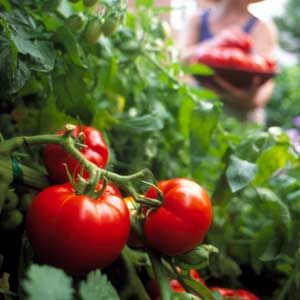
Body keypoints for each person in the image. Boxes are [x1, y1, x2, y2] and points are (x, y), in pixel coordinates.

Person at [181, 0, 277, 124]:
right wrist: (216, 42)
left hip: (240, 116)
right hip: (199, 106)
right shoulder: (197, 19)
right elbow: (181, 60)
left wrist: (249, 101)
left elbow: (266, 76)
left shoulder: (261, 27)